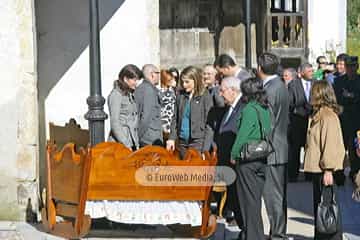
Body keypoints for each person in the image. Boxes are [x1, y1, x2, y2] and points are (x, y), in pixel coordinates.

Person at [230, 77, 271, 240]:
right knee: (255, 201)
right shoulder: (264, 107)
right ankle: (254, 234)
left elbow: (242, 135)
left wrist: (233, 154)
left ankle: (253, 236)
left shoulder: (248, 109)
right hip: (261, 158)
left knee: (248, 202)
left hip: (247, 160)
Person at [304, 80, 345, 240]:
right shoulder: (318, 114)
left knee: (328, 209)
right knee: (321, 208)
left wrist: (328, 169)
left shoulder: (328, 116)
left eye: (313, 92)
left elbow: (331, 144)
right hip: (318, 169)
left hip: (324, 171)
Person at [257, 52, 289, 240]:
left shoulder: (270, 89)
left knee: (273, 196)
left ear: (260, 68)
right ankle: (278, 232)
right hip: (279, 146)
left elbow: (267, 123)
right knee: (277, 195)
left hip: (272, 150)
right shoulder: (279, 84)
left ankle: (278, 234)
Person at [166, 66, 214, 159]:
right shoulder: (180, 95)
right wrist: (171, 138)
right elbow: (175, 118)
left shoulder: (205, 96)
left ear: (195, 80)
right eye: (182, 81)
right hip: (182, 142)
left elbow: (209, 125)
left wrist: (205, 149)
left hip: (198, 141)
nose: (184, 85)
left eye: (187, 82)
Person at [216, 76, 244, 225]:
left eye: (222, 91)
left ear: (233, 91)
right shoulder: (230, 107)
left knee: (239, 199)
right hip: (227, 162)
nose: (220, 94)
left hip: (237, 162)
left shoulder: (243, 106)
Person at [334, 56, 360, 181]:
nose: (351, 69)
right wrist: (351, 98)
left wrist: (350, 96)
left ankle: (355, 173)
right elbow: (337, 98)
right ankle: (339, 173)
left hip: (357, 120)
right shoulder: (339, 81)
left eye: (353, 66)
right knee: (340, 148)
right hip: (342, 119)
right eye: (349, 66)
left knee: (355, 149)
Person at [287, 63, 313, 182]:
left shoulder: (315, 83)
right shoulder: (293, 84)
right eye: (308, 71)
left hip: (311, 119)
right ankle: (293, 174)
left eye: (312, 71)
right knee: (295, 148)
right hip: (297, 119)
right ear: (301, 73)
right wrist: (301, 109)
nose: (311, 73)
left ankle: (309, 173)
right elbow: (291, 102)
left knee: (310, 147)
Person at [107, 64, 142, 150]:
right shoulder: (116, 95)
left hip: (131, 141)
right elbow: (115, 123)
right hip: (120, 144)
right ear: (125, 79)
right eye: (134, 80)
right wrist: (126, 144)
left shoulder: (129, 93)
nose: (137, 83)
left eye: (137, 80)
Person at [134, 64, 163, 147]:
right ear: (152, 74)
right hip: (150, 140)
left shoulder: (142, 88)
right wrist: (137, 137)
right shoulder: (148, 90)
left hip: (147, 138)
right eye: (158, 73)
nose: (159, 76)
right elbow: (145, 118)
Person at [159, 69, 176, 142]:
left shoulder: (170, 91)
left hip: (168, 122)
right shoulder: (166, 92)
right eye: (171, 79)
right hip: (167, 123)